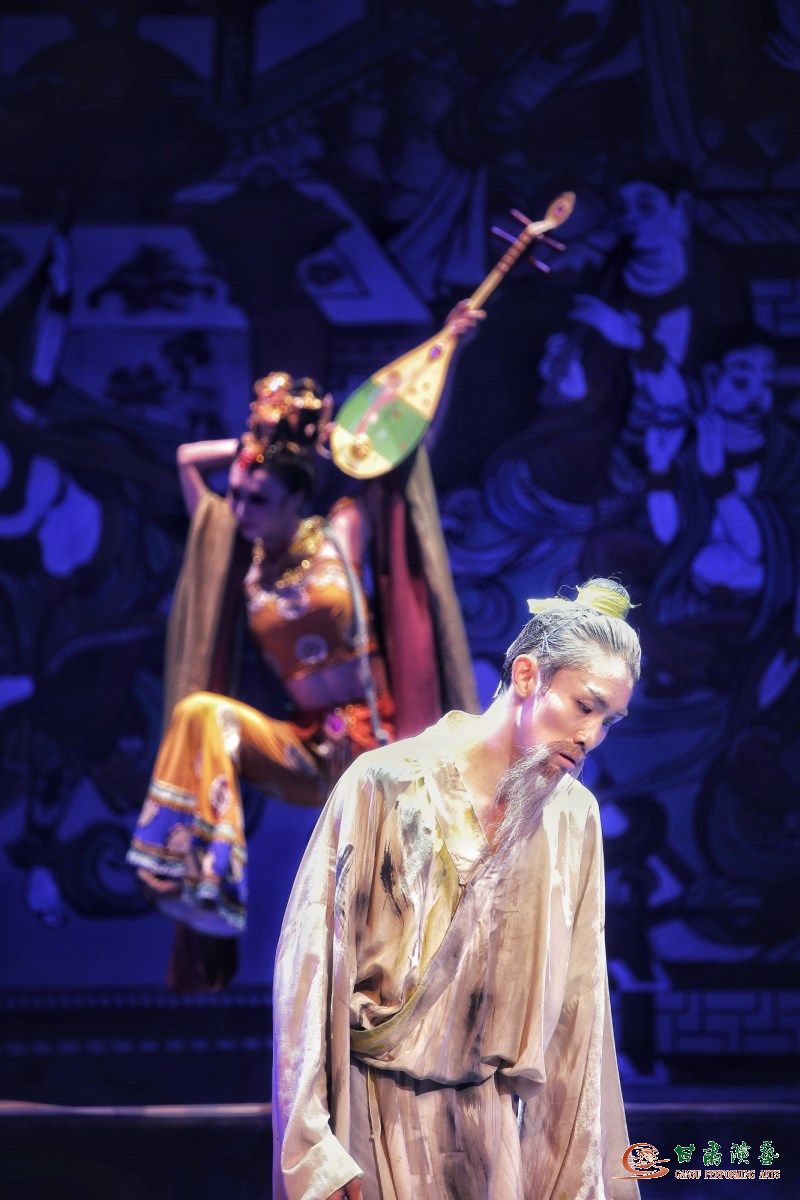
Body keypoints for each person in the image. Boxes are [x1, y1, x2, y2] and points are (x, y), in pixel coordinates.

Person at [273, 578, 642, 1200]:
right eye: (585, 706)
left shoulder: (573, 815)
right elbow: (312, 966)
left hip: (493, 1130)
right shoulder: (384, 782)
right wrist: (315, 1151)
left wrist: (571, 1177)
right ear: (527, 676)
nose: (592, 737)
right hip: (374, 1115)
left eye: (609, 721)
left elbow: (580, 1005)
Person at [127, 356, 478, 978]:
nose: (240, 509)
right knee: (200, 715)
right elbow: (186, 460)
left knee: (387, 917)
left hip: (376, 745)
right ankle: (206, 879)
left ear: (296, 497)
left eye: (258, 498)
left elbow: (403, 453)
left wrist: (315, 443)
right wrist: (257, 444)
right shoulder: (241, 560)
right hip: (310, 747)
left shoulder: (340, 532)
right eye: (237, 494)